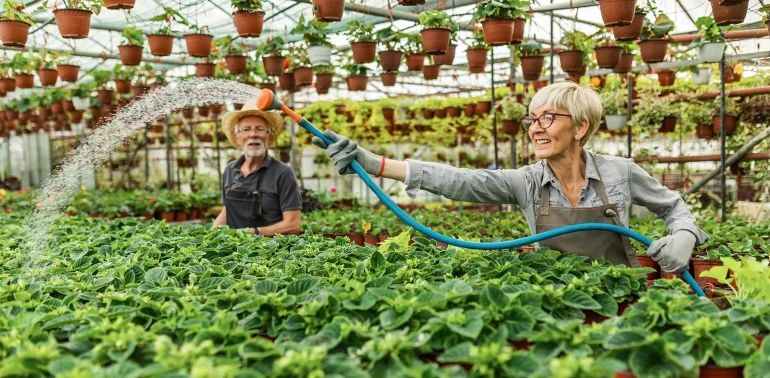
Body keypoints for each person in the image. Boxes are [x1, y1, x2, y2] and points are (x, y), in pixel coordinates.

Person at [313, 82, 708, 272]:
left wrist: (684, 238)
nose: (536, 128)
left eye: (548, 118)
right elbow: (460, 181)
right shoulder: (527, 181)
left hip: (620, 294)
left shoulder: (621, 172)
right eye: (532, 119)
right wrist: (374, 161)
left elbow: (675, 208)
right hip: (555, 299)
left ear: (581, 127)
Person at [213, 102, 301, 236]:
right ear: (237, 138)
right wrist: (212, 233)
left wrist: (252, 233)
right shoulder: (230, 170)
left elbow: (293, 225)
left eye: (259, 129)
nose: (253, 134)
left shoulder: (283, 173)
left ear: (269, 137)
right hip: (234, 252)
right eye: (246, 129)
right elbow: (227, 211)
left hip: (272, 252)